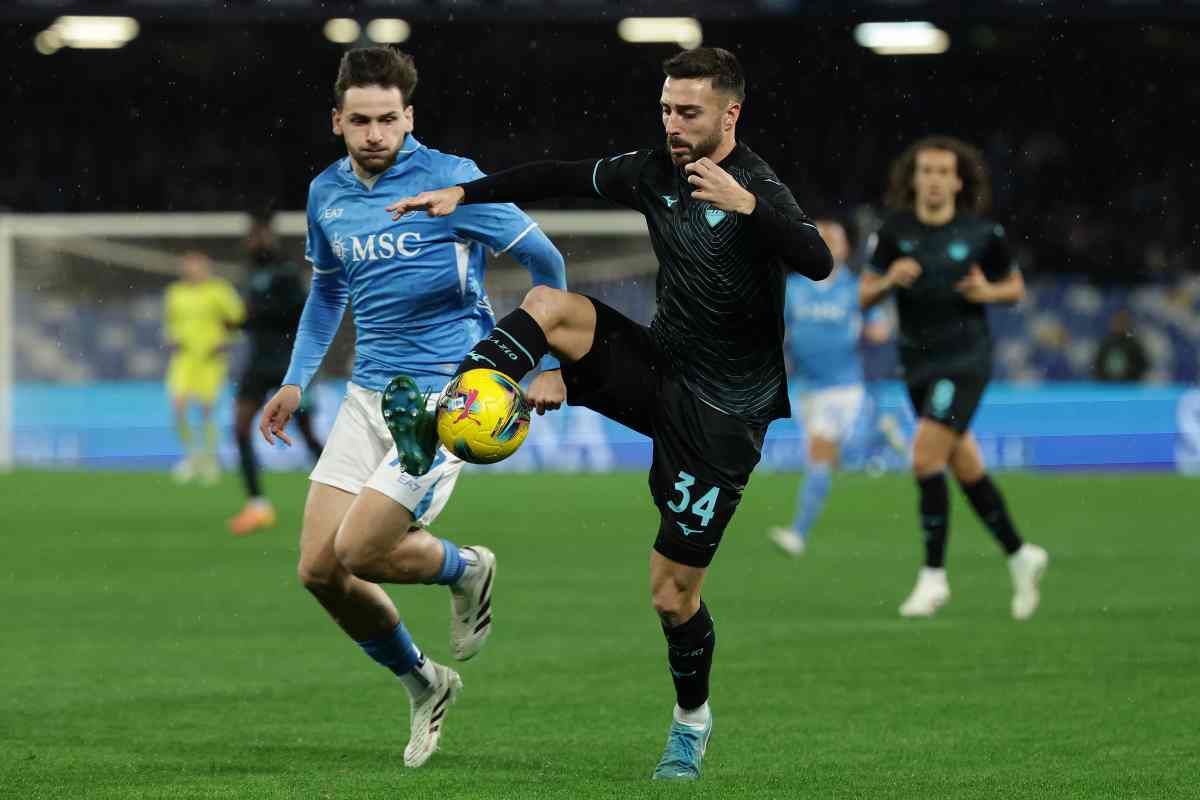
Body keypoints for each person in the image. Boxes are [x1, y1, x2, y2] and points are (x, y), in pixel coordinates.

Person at [383, 47, 832, 780]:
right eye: (665, 108)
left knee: (671, 594)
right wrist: (465, 194)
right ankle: (447, 413)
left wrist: (748, 206)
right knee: (548, 308)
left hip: (724, 416)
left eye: (689, 112)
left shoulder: (755, 184)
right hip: (661, 370)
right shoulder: (655, 171)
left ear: (730, 113)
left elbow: (816, 260)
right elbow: (557, 174)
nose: (674, 124)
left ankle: (691, 722)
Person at [255, 47, 567, 767]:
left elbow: (547, 264)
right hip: (370, 398)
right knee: (318, 571)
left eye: (387, 119)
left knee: (359, 551)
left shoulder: (454, 179)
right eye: (359, 120)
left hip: (447, 398)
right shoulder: (326, 193)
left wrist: (546, 362)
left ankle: (463, 567)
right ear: (337, 121)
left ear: (409, 118)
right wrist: (297, 378)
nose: (373, 133)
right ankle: (425, 682)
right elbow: (330, 289)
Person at [860, 135, 1048, 620]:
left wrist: (986, 290)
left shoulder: (983, 233)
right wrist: (887, 281)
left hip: (965, 360)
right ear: (915, 179)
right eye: (927, 171)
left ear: (957, 181)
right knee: (965, 466)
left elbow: (1015, 289)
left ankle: (933, 577)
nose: (936, 180)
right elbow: (861, 297)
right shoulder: (894, 232)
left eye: (944, 172)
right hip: (916, 363)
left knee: (924, 457)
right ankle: (1019, 553)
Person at [768, 217, 892, 557]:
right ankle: (879, 434)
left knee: (824, 458)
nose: (827, 243)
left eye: (833, 238)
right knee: (829, 460)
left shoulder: (856, 288)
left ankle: (797, 534)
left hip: (845, 387)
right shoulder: (793, 288)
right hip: (808, 388)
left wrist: (879, 315)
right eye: (820, 238)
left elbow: (880, 330)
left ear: (846, 247)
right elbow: (778, 332)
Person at [227, 215, 325, 536]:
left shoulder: (286, 271)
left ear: (270, 238)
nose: (253, 242)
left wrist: (254, 317)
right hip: (258, 363)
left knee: (309, 435)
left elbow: (297, 312)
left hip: (287, 364)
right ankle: (257, 505)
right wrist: (241, 324)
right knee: (240, 427)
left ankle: (344, 495)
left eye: (259, 236)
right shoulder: (251, 272)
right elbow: (255, 317)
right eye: (251, 237)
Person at [163, 251, 244, 485]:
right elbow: (170, 323)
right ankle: (192, 456)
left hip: (210, 359)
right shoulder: (175, 293)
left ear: (206, 268)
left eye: (198, 267)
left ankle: (209, 460)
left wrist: (227, 340)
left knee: (207, 409)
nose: (193, 271)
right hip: (185, 358)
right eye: (189, 267)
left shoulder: (219, 290)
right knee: (178, 406)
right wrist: (172, 337)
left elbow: (238, 319)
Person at [1093, 309, 1149, 382]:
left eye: (1122, 322)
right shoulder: (1106, 344)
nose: (1120, 324)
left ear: (1127, 324)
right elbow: (1098, 365)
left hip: (1128, 387)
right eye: (1117, 321)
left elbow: (1142, 365)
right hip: (1108, 387)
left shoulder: (1134, 345)